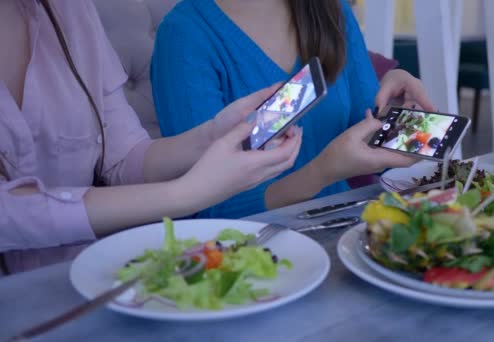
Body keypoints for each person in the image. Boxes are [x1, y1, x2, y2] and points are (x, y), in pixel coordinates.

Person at [0, 0, 301, 273]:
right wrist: (185, 194)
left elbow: (121, 157)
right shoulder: (186, 29)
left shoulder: (71, 11)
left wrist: (213, 134)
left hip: (88, 278)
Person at [151, 0, 435, 218]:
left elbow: (370, 139)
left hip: (348, 229)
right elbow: (209, 207)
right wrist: (320, 173)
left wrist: (400, 115)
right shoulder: (183, 36)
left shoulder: (331, 10)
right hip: (246, 252)